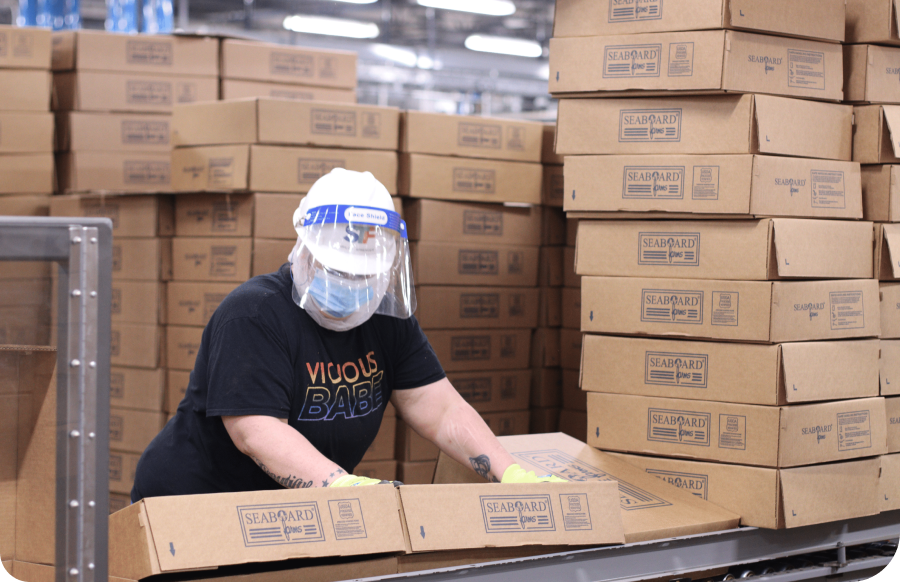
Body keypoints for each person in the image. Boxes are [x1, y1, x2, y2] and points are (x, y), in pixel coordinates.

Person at [132, 168, 564, 500]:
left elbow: (440, 409)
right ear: (303, 250)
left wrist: (509, 472)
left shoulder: (386, 319)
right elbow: (257, 431)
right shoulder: (254, 315)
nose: (349, 287)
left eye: (363, 277)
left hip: (295, 508)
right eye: (336, 270)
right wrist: (341, 487)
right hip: (198, 502)